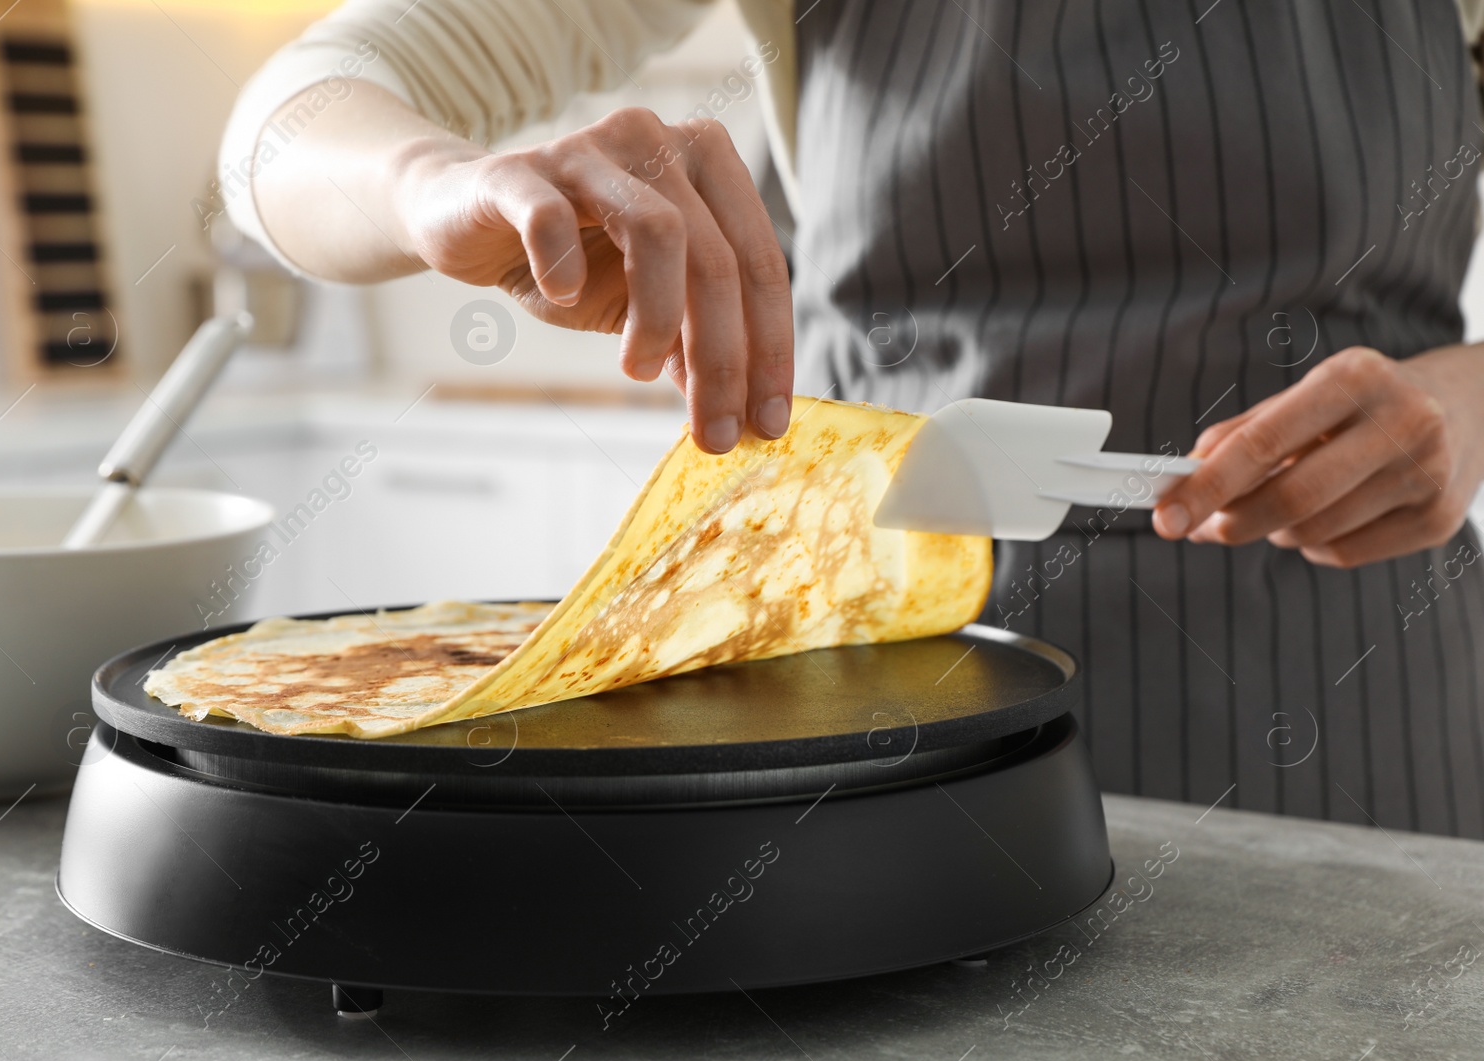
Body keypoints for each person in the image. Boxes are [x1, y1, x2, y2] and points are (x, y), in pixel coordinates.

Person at [218, 0, 1484, 839]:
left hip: (1342, 661)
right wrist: (433, 183)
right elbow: (297, 107)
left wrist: (1467, 397)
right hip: (861, 672)